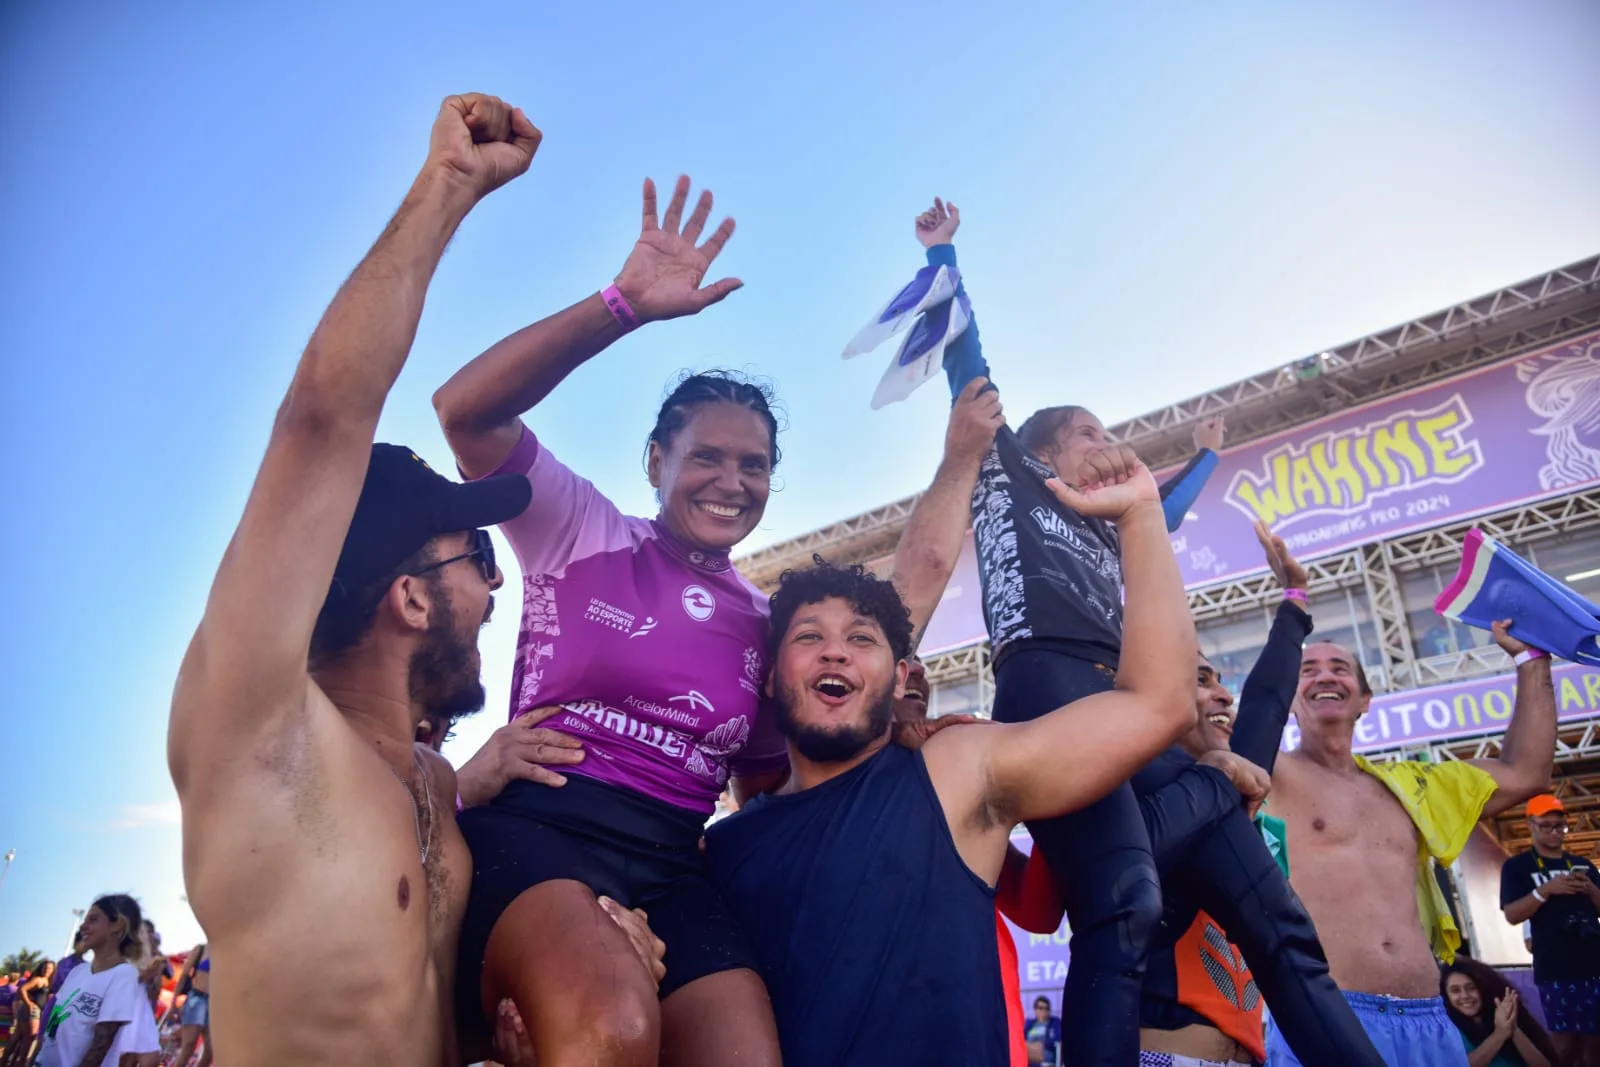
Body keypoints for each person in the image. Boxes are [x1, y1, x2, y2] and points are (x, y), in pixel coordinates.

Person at [167, 92, 542, 1067]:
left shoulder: (435, 785)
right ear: (409, 597)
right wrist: (450, 186)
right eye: (476, 563)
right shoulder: (259, 734)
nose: (495, 592)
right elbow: (323, 420)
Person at [705, 409, 1202, 1064]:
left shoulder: (955, 773)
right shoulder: (719, 852)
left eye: (861, 639)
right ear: (770, 676)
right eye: (808, 637)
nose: (836, 654)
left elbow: (1157, 703)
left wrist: (1141, 515)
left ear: (898, 673)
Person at [433, 174, 790, 1066]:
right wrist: (621, 305)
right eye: (705, 455)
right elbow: (464, 410)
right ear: (657, 460)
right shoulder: (579, 527)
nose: (731, 481)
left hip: (674, 863)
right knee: (611, 1025)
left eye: (755, 465)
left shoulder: (768, 621)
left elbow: (768, 794)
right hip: (543, 830)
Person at [1263, 620, 1559, 1066]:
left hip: (1430, 1019)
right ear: (1287, 700)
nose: (1325, 675)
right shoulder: (1267, 772)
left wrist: (1529, 660)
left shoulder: (1411, 788)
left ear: (1365, 701)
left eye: (1340, 668)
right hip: (1326, 1015)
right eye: (1308, 670)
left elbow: (1525, 773)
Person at [1500, 795, 1600, 1066]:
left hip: (1594, 964)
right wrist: (1545, 891)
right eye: (1547, 826)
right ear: (1531, 824)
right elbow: (1512, 914)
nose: (1555, 832)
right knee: (1564, 1047)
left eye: (1560, 826)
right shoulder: (1517, 866)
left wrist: (1591, 889)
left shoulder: (1585, 866)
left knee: (1595, 1046)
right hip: (1555, 967)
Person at [35, 896, 159, 1067]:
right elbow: (53, 1027)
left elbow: (102, 1044)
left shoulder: (124, 975)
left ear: (117, 925)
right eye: (84, 919)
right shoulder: (77, 972)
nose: (83, 926)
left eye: (93, 919)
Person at [1442, 956, 1557, 1067]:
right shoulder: (1446, 1029)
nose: (1465, 996)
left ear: (1483, 988)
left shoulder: (1504, 1013)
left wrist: (1513, 1028)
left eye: (1471, 988)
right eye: (1455, 990)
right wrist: (1500, 1034)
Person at [1, 962, 51, 1067]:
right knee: (28, 1039)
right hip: (32, 1011)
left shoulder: (45, 980)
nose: (47, 970)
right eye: (45, 967)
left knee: (17, 1037)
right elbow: (22, 989)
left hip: (26, 1010)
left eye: (50, 968)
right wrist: (29, 1004)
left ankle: (4, 1062)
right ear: (41, 968)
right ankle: (20, 1063)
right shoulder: (38, 979)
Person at [169, 946, 209, 1067]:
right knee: (189, 1045)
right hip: (197, 998)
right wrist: (173, 1003)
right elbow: (183, 976)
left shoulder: (228, 952)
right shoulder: (201, 949)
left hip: (216, 1002)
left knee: (211, 1050)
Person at [1024, 997, 1062, 1066]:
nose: (1044, 1010)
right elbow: (1022, 1038)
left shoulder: (1054, 1022)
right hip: (1028, 1049)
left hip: (1045, 1050)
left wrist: (1043, 1044)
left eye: (1047, 1008)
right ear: (1035, 1009)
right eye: (1041, 1008)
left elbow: (1058, 1038)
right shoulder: (1030, 1023)